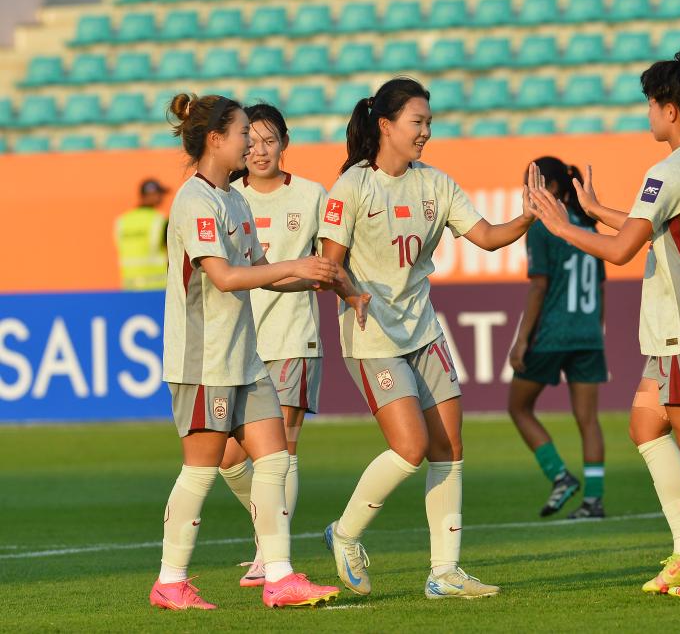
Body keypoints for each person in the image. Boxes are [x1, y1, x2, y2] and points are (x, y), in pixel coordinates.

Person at [529, 50, 680, 599]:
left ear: (670, 109)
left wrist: (563, 226)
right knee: (645, 426)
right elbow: (652, 225)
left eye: (651, 102)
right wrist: (596, 210)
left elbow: (623, 249)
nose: (648, 111)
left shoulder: (668, 170)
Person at [317, 77, 537, 600]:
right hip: (373, 336)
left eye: (429, 123)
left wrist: (528, 216)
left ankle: (445, 573)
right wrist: (352, 295)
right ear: (386, 125)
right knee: (410, 447)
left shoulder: (436, 183)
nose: (425, 132)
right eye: (417, 122)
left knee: (449, 446)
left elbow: (487, 237)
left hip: (423, 330)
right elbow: (329, 265)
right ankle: (344, 533)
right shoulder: (352, 187)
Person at [151, 92, 354, 610]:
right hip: (204, 359)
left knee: (275, 459)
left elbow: (261, 271)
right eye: (243, 132)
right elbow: (223, 277)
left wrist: (317, 276)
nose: (251, 142)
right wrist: (296, 266)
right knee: (202, 470)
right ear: (215, 139)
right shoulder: (195, 201)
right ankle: (170, 581)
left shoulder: (235, 200)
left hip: (244, 355)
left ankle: (279, 576)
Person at [211, 103, 331, 588]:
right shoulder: (226, 197)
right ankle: (270, 530)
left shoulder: (311, 195)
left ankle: (270, 552)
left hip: (293, 336)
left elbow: (332, 259)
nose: (259, 151)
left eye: (269, 140)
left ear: (285, 142)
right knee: (226, 456)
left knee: (280, 451)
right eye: (252, 140)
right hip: (238, 342)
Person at [507, 156, 608, 520]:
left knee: (519, 407)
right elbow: (600, 289)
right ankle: (593, 501)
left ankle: (560, 475)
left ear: (549, 187)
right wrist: (595, 329)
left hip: (552, 333)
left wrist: (522, 340)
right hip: (588, 335)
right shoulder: (589, 227)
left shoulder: (542, 227)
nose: (526, 191)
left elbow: (538, 288)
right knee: (588, 419)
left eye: (531, 183)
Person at [114, 178, 169, 291]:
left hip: (130, 286)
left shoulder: (122, 221)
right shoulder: (159, 220)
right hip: (157, 286)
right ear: (151, 195)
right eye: (160, 194)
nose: (162, 198)